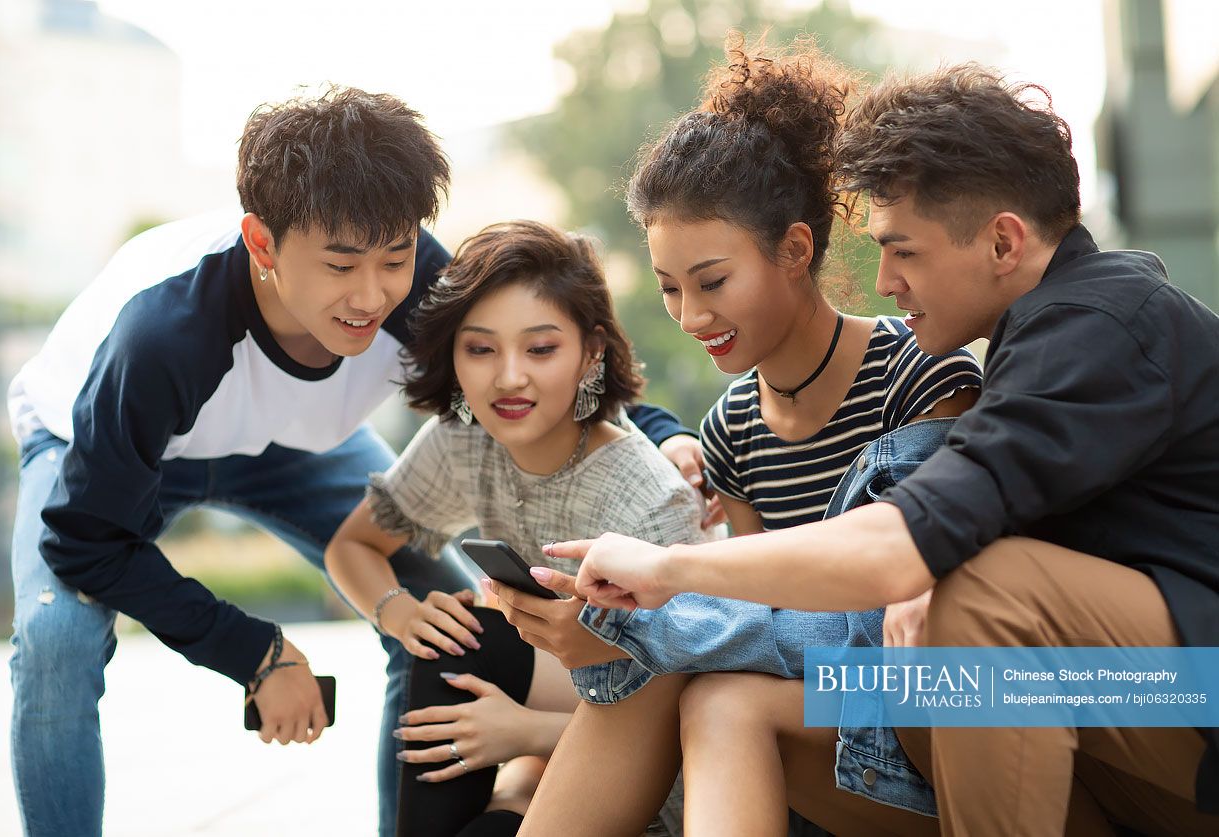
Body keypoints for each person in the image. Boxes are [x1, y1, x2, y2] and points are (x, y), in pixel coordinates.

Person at [546, 64, 1219, 836]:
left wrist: (666, 573)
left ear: (1001, 239)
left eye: (903, 251)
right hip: (1129, 726)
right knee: (722, 691)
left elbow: (903, 544)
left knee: (987, 588)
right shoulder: (1039, 337)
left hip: (1190, 702)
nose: (886, 280)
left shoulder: (1101, 325)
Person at [6, 88, 699, 837]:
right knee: (54, 642)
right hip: (103, 450)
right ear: (263, 245)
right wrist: (257, 651)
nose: (371, 295)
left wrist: (660, 433)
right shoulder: (163, 340)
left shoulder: (423, 286)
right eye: (341, 265)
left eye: (394, 258)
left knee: (441, 621)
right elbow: (82, 537)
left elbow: (552, 357)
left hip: (289, 446)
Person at [494, 36, 980, 836]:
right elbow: (760, 613)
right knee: (691, 673)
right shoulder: (733, 429)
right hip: (807, 702)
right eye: (669, 289)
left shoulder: (920, 372)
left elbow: (891, 619)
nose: (690, 317)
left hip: (928, 699)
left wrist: (639, 622)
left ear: (793, 250)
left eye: (712, 281)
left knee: (700, 679)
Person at [325, 220, 710, 837]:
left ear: (591, 353)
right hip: (555, 761)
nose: (508, 378)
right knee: (451, 635)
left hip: (661, 792)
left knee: (477, 640)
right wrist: (397, 612)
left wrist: (527, 734)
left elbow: (688, 715)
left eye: (539, 349)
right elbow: (354, 545)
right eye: (480, 349)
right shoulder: (464, 441)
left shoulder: (647, 500)